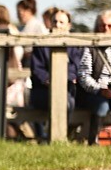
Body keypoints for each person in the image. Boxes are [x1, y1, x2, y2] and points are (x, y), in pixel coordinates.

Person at [79, 10, 111, 146]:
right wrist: (99, 90)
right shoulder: (90, 48)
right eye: (102, 26)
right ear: (97, 28)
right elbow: (84, 75)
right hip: (94, 91)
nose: (106, 29)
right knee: (102, 105)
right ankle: (93, 141)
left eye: (110, 26)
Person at [29, 8, 79, 143]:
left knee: (68, 102)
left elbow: (76, 68)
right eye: (54, 21)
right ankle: (54, 137)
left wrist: (61, 81)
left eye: (61, 22)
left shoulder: (75, 45)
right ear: (49, 24)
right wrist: (50, 81)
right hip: (43, 92)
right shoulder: (41, 44)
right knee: (64, 101)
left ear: (69, 25)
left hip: (67, 90)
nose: (57, 25)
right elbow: (37, 69)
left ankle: (59, 137)